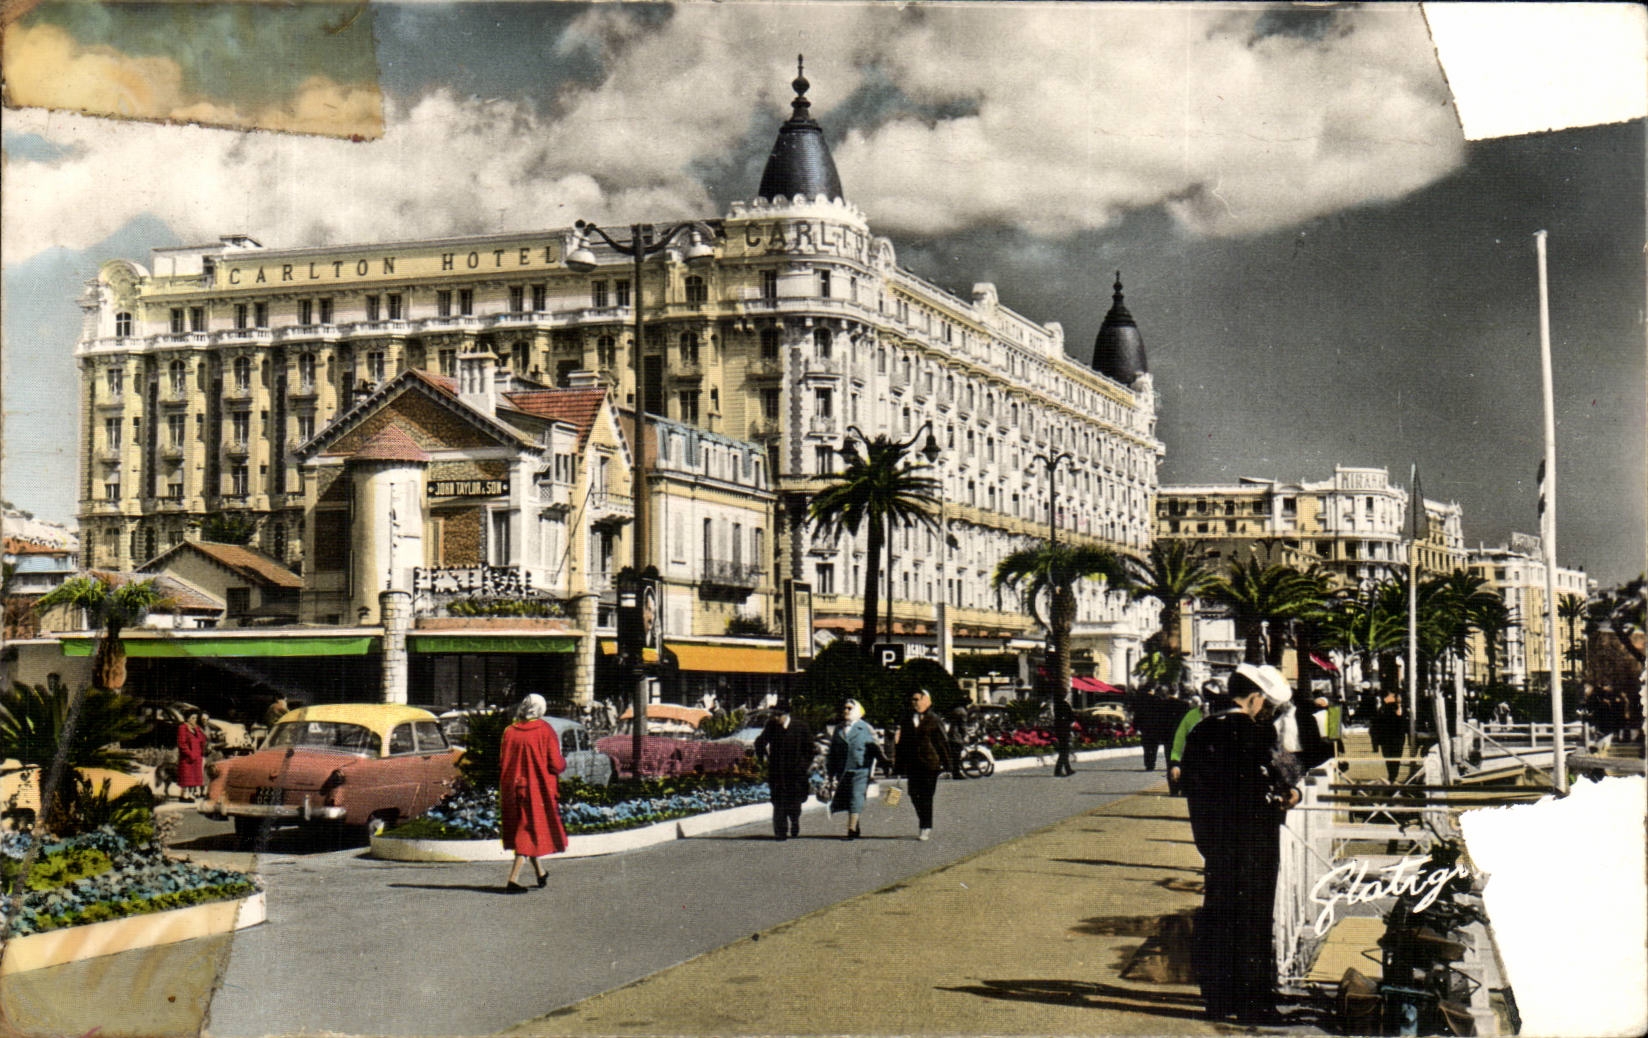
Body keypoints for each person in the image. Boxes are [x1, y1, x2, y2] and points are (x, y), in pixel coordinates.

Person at [1179, 662, 1301, 1026]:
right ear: (1256, 699)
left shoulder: (1200, 732)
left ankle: (1217, 999)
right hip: (1254, 844)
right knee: (1253, 922)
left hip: (1215, 844)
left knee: (1218, 916)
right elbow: (1280, 782)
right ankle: (1254, 1003)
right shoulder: (1255, 735)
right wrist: (1288, 795)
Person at [498, 693, 568, 892]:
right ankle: (513, 880)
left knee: (527, 828)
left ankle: (540, 873)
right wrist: (564, 764)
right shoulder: (545, 730)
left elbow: (504, 762)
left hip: (514, 788)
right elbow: (555, 763)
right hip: (538, 789)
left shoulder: (509, 732)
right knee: (528, 831)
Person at [893, 689, 953, 841]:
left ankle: (925, 826)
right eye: (913, 700)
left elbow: (942, 743)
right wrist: (898, 767)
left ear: (927, 700)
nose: (915, 703)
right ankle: (924, 821)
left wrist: (948, 766)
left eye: (917, 699)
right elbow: (902, 745)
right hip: (913, 764)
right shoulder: (907, 719)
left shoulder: (934, 719)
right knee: (913, 795)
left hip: (929, 764)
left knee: (926, 796)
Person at [826, 699, 886, 839]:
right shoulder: (839, 729)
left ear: (857, 710)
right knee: (848, 798)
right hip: (844, 769)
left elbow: (876, 748)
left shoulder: (866, 728)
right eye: (844, 708)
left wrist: (883, 763)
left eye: (849, 708)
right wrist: (830, 772)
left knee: (856, 796)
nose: (846, 711)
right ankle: (855, 823)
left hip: (861, 768)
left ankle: (851, 829)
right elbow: (832, 752)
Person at [753, 700, 814, 840]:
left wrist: (803, 766)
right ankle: (780, 832)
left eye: (778, 715)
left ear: (786, 715)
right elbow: (760, 742)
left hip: (796, 773)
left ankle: (794, 820)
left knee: (794, 804)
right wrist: (763, 758)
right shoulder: (772, 726)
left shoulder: (800, 727)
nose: (775, 718)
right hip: (777, 772)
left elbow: (810, 750)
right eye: (773, 715)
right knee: (778, 802)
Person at [1370, 689, 1408, 782]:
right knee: (1392, 759)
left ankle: (1392, 776)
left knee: (1392, 758)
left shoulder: (1387, 710)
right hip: (1391, 739)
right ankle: (1392, 776)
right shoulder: (1385, 710)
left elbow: (1374, 727)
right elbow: (1375, 726)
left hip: (1392, 739)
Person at [176, 710, 208, 802]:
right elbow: (182, 744)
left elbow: (203, 739)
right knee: (186, 777)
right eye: (192, 718)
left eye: (196, 718)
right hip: (187, 758)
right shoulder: (182, 728)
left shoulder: (195, 729)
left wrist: (198, 729)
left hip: (197, 757)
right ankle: (184, 795)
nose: (195, 720)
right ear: (187, 718)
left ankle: (190, 795)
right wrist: (190, 754)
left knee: (194, 778)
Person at [1052, 690, 1076, 777]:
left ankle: (1067, 769)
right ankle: (1058, 770)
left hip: (1058, 729)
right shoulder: (1064, 704)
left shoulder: (1056, 705)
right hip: (1064, 729)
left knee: (1064, 750)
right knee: (1064, 751)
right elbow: (1071, 716)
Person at [947, 706, 971, 780]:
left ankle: (954, 772)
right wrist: (965, 735)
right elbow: (962, 726)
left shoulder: (955, 710)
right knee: (957, 756)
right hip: (957, 737)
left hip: (951, 735)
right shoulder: (963, 712)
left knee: (954, 756)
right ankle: (956, 773)